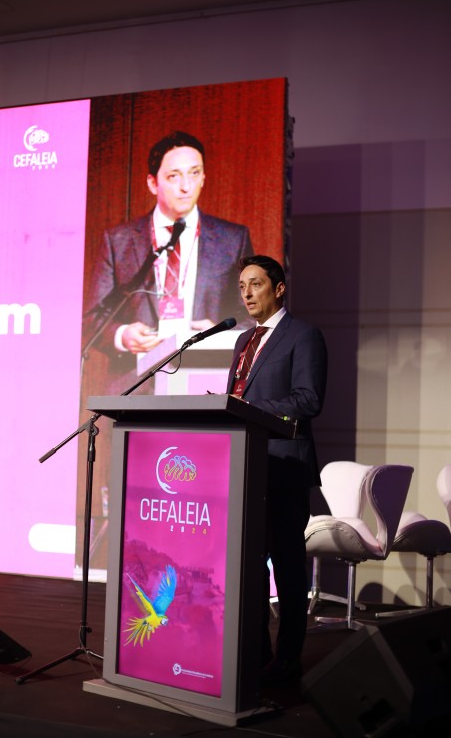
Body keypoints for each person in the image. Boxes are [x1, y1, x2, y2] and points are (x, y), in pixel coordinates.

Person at [83, 130, 253, 388]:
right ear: (153, 183)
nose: (186, 186)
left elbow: (254, 316)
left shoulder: (233, 239)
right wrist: (122, 335)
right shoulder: (119, 241)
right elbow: (93, 318)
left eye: (194, 173)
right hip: (134, 386)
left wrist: (219, 334)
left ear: (203, 177)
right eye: (174, 176)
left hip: (207, 383)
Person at [226, 255, 327, 685]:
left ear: (279, 288)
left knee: (287, 568)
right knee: (247, 566)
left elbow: (308, 400)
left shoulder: (303, 335)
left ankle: (288, 660)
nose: (247, 293)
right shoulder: (243, 341)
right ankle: (257, 654)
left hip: (285, 469)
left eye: (256, 284)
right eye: (242, 286)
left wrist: (246, 407)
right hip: (248, 467)